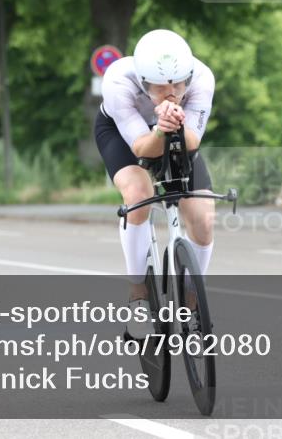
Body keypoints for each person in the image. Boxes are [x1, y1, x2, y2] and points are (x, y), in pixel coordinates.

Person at [94, 29, 216, 339]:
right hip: (123, 134)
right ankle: (137, 294)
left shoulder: (201, 77)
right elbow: (141, 149)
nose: (172, 92)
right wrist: (160, 129)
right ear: (143, 82)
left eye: (178, 83)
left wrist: (174, 123)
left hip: (178, 133)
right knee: (139, 194)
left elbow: (191, 142)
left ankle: (192, 298)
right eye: (161, 87)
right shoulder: (118, 80)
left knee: (203, 218)